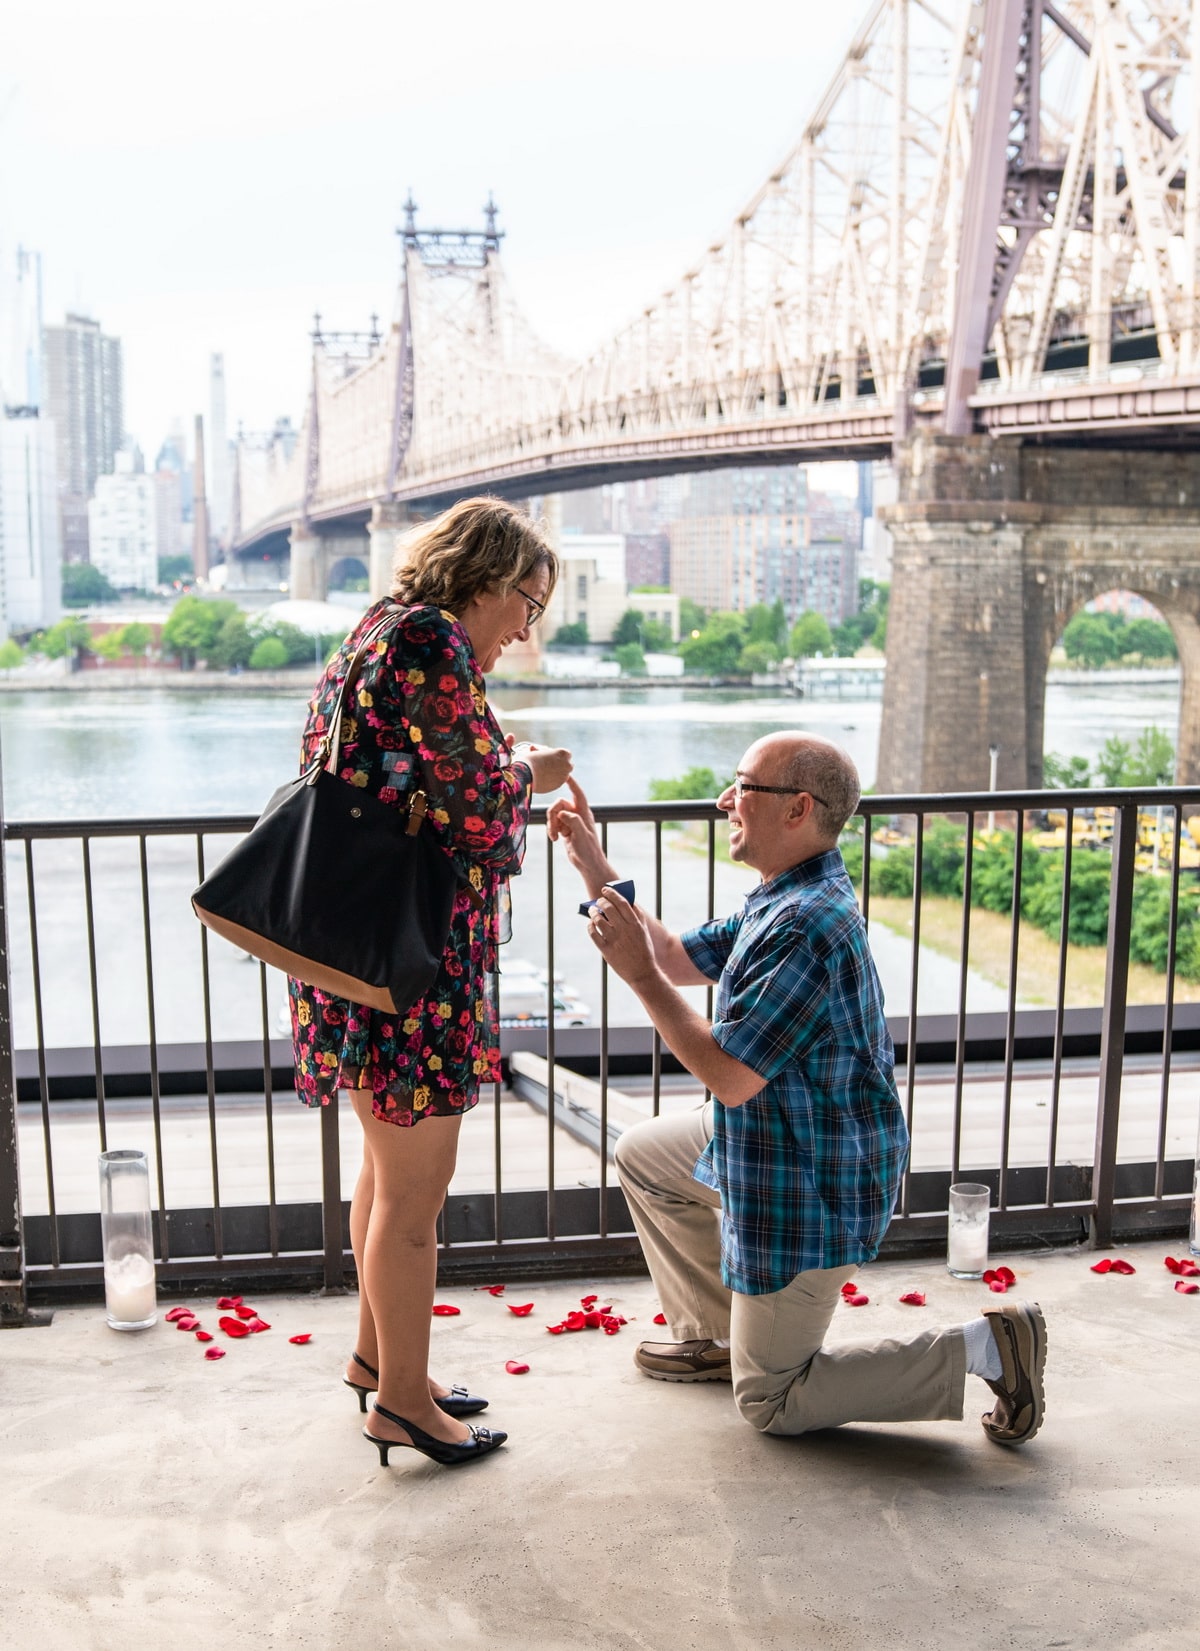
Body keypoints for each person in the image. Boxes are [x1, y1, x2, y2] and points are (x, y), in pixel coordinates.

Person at [546, 733, 1046, 1446]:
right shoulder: (784, 894)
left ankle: (987, 1346)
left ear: (798, 808)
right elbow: (673, 954)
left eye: (743, 784)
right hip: (774, 1140)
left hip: (811, 1183)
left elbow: (726, 1074)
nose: (726, 799)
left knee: (770, 1402)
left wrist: (639, 980)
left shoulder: (807, 925)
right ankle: (719, 1335)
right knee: (644, 1155)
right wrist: (595, 865)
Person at [290, 497, 572, 1468]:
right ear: (487, 580)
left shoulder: (374, 629)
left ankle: (381, 1362)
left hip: (359, 953)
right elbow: (475, 812)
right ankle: (402, 1403)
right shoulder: (430, 642)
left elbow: (403, 780)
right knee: (417, 1197)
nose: (525, 630)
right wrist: (529, 770)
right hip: (415, 969)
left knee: (384, 1173)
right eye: (527, 604)